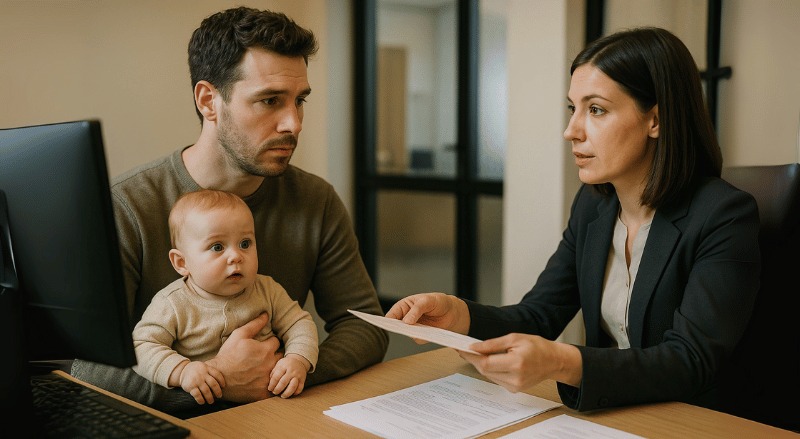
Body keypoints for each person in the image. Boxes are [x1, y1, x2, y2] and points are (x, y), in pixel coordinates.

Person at [386, 27, 761, 413]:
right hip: (615, 413)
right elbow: (539, 315)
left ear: (656, 120)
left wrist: (565, 362)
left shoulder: (724, 216)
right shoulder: (593, 207)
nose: (571, 131)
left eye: (596, 109)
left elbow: (690, 360)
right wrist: (459, 315)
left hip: (695, 422)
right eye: (573, 108)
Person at [71, 6, 388, 416]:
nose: (293, 123)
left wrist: (284, 374)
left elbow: (365, 326)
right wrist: (215, 380)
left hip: (275, 417)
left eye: (299, 101)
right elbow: (84, 368)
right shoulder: (127, 206)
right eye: (270, 101)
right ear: (208, 101)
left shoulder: (316, 200)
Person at [132, 189, 318, 408]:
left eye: (245, 243)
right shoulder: (172, 303)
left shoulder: (267, 289)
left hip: (272, 405)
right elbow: (141, 346)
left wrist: (298, 359)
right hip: (204, 413)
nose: (236, 256)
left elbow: (299, 323)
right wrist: (181, 371)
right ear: (182, 263)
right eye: (217, 247)